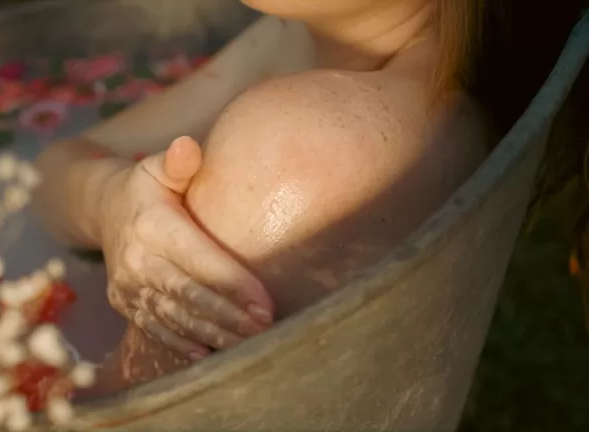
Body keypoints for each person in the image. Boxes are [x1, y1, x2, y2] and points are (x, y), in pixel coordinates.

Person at [34, 0, 491, 394]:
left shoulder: (302, 149)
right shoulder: (317, 36)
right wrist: (110, 202)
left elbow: (123, 413)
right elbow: (49, 175)